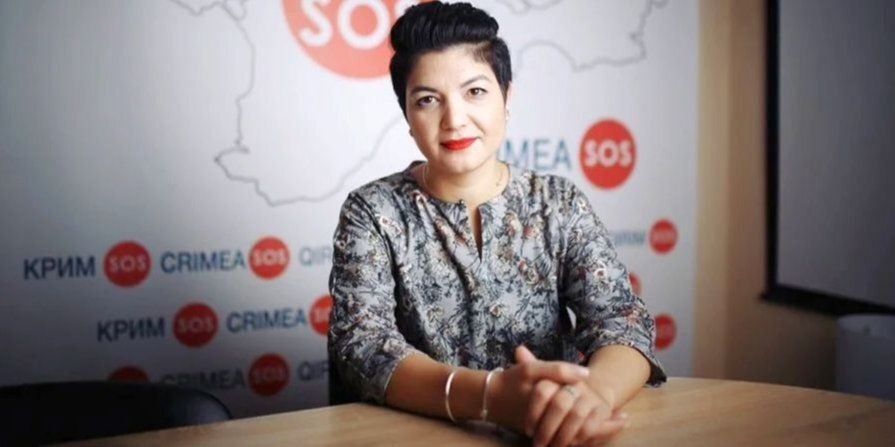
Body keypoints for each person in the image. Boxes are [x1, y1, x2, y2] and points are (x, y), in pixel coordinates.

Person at [328, 2, 666, 446]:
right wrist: (489, 397)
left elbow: (622, 321)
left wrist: (591, 397)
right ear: (408, 117)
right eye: (427, 100)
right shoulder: (373, 211)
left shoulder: (557, 203)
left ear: (507, 98)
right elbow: (363, 346)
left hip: (552, 434)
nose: (454, 119)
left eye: (475, 92)